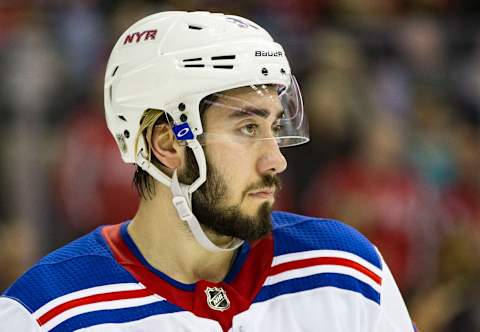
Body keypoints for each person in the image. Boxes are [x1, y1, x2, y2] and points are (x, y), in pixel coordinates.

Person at [0, 11, 415, 331]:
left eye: (273, 127)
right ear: (166, 144)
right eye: (248, 128)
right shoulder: (46, 313)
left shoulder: (344, 270)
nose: (276, 159)